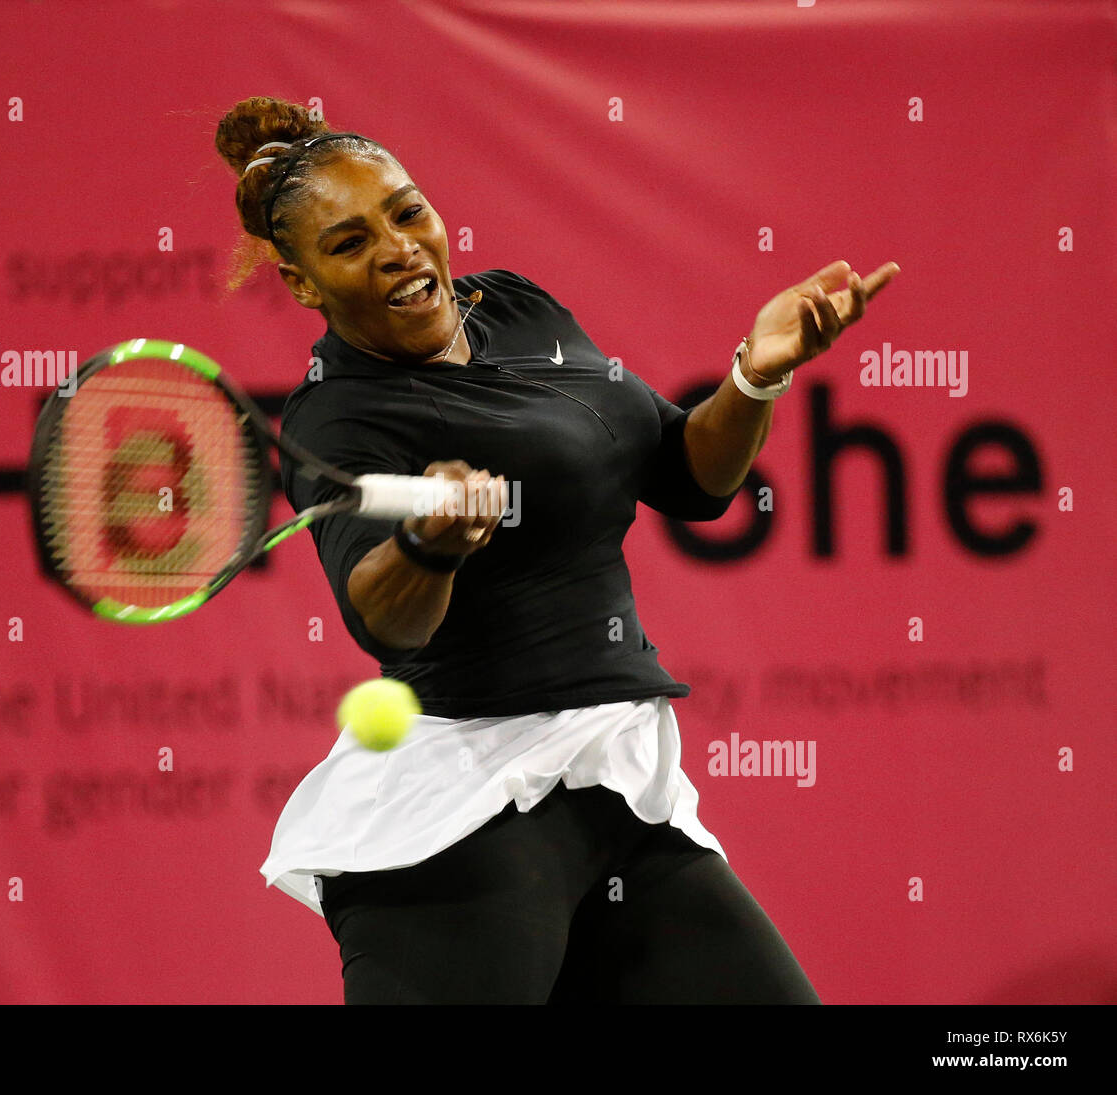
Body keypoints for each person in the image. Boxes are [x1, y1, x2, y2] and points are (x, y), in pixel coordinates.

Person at [214, 96, 899, 1004]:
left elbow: (688, 476)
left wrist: (755, 373)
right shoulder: (338, 415)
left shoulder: (517, 306)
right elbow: (385, 619)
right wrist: (429, 545)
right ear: (303, 283)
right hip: (459, 832)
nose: (398, 248)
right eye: (347, 244)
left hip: (617, 789)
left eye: (407, 211)